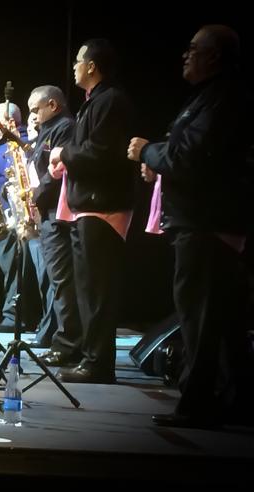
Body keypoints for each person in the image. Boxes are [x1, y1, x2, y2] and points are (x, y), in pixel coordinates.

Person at [128, 25, 254, 428]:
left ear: (214, 56)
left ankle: (197, 405)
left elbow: (190, 157)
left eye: (193, 49)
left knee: (200, 320)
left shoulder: (223, 97)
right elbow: (188, 155)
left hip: (206, 225)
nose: (185, 55)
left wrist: (148, 151)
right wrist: (160, 161)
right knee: (224, 321)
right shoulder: (212, 96)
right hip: (207, 223)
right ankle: (236, 403)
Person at [49, 39, 136, 384]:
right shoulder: (95, 102)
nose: (74, 67)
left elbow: (100, 153)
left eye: (78, 61)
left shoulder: (110, 100)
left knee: (97, 291)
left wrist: (63, 154)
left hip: (103, 206)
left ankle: (98, 364)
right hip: (90, 205)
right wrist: (66, 159)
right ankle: (91, 358)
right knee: (88, 290)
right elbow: (88, 149)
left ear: (92, 66)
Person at [26, 85, 82, 362]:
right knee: (57, 280)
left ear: (53, 105)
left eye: (35, 109)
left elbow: (58, 172)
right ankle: (63, 340)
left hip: (58, 215)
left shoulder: (65, 127)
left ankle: (67, 344)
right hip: (48, 212)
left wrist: (35, 196)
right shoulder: (46, 131)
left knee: (62, 280)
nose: (33, 116)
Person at [0, 102, 34, 329]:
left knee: (15, 267)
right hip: (0, 216)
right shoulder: (0, 146)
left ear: (10, 121)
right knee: (9, 268)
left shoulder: (16, 142)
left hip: (12, 217)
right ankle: (13, 315)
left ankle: (14, 317)